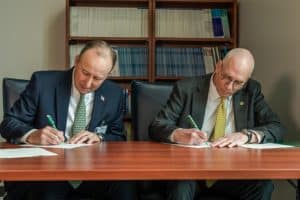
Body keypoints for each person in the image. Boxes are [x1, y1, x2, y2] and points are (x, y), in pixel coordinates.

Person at [0, 40, 137, 200]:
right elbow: (8, 123)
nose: (88, 83)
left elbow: (118, 136)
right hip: (48, 171)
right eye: (85, 73)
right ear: (77, 60)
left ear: (109, 73)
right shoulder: (43, 83)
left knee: (126, 186)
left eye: (97, 78)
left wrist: (99, 138)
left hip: (93, 172)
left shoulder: (114, 94)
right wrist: (32, 134)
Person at [149, 48, 285, 200]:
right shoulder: (186, 88)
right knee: (180, 186)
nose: (229, 87)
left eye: (238, 83)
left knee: (263, 185)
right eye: (226, 77)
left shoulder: (251, 91)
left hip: (232, 173)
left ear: (246, 80)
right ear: (218, 66)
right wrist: (178, 134)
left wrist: (246, 135)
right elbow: (157, 125)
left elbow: (276, 127)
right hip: (192, 172)